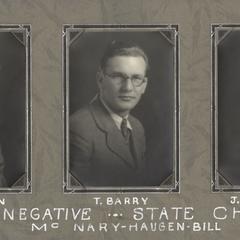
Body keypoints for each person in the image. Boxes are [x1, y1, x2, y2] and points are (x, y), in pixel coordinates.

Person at [70, 41, 148, 187]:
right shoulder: (78, 128)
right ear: (100, 80)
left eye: (136, 78)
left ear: (144, 85)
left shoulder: (137, 127)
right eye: (118, 77)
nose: (128, 88)